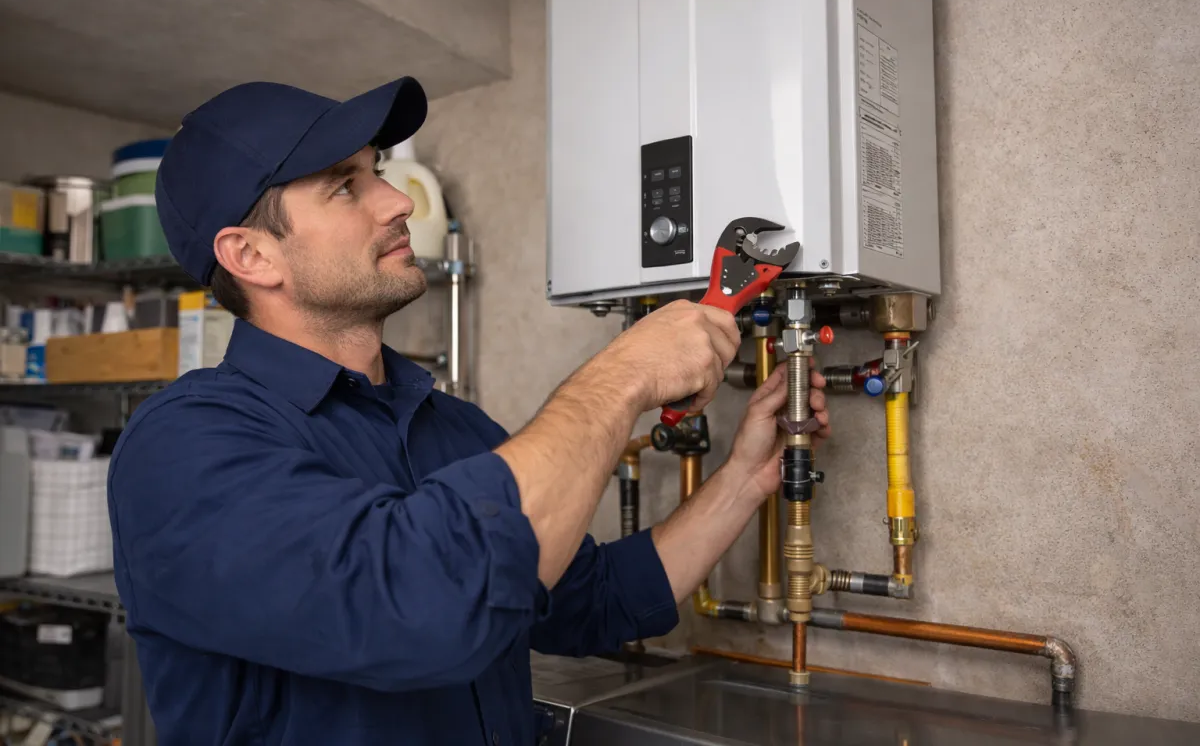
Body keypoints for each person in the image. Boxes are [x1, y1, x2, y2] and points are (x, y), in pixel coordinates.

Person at [107, 76, 830, 745]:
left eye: (379, 173)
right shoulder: (184, 447)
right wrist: (626, 374)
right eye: (343, 186)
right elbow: (417, 606)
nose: (398, 203)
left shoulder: (451, 428)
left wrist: (743, 477)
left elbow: (595, 600)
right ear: (252, 256)